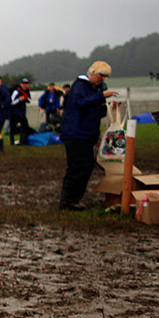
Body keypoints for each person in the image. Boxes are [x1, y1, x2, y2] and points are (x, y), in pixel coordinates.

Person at [59, 61, 118, 210]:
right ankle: (69, 201)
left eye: (105, 77)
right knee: (79, 166)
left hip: (84, 134)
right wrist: (101, 96)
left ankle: (72, 200)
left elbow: (95, 110)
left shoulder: (92, 89)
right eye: (101, 75)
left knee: (83, 166)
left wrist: (109, 108)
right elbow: (80, 103)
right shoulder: (80, 86)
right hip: (76, 133)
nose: (103, 79)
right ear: (92, 73)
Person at [8, 78, 34, 145]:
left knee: (25, 127)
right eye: (23, 84)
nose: (25, 85)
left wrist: (26, 99)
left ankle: (24, 141)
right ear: (21, 84)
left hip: (22, 113)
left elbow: (29, 100)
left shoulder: (27, 91)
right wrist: (19, 99)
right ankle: (12, 143)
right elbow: (11, 103)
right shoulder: (16, 92)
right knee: (12, 129)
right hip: (14, 114)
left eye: (26, 84)